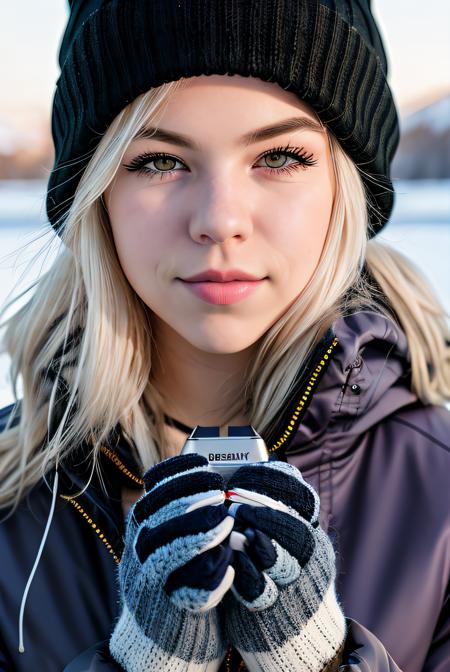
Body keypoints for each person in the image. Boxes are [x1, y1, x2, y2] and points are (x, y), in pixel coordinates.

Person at [0, 0, 449, 670]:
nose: (219, 220)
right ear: (96, 194)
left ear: (343, 186)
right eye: (157, 161)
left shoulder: (441, 496)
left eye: (279, 155)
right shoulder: (12, 511)